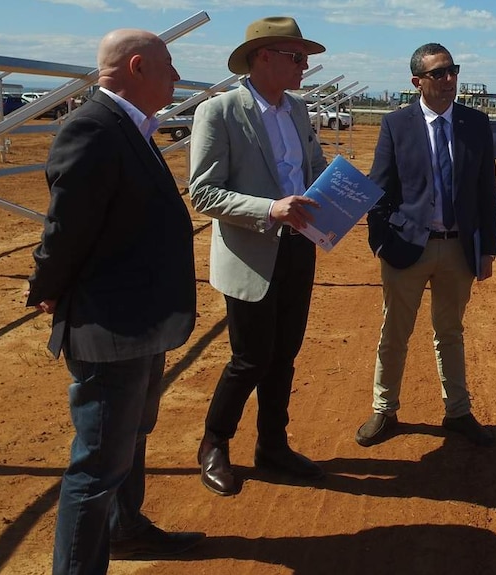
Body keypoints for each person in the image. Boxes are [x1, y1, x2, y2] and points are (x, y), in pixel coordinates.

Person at [25, 29, 204, 574]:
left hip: (141, 318)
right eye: (168, 65)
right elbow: (66, 227)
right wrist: (48, 289)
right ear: (137, 67)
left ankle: (125, 529)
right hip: (112, 324)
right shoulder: (94, 127)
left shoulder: (128, 125)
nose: (176, 75)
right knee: (98, 464)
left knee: (128, 440)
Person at [189, 16, 328, 497]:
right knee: (250, 358)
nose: (305, 66)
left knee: (284, 356)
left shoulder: (298, 111)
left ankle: (272, 444)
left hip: (297, 247)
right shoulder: (220, 111)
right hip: (251, 251)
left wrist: (335, 194)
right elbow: (203, 194)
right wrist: (271, 208)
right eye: (296, 57)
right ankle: (214, 444)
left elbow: (314, 169)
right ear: (262, 57)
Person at [355, 43, 496, 448]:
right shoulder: (396, 125)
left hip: (458, 249)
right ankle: (385, 409)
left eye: (452, 70)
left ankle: (457, 411)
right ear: (417, 81)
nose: (449, 79)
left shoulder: (475, 123)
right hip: (406, 247)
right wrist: (380, 242)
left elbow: (487, 190)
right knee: (395, 333)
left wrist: (488, 248)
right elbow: (379, 189)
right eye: (439, 73)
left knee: (450, 331)